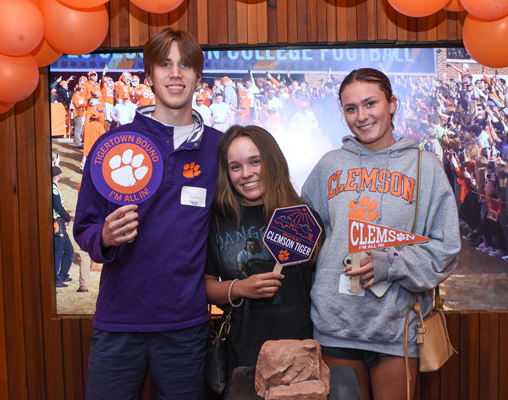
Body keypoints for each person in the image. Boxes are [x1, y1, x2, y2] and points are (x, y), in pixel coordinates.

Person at [73, 28, 223, 400]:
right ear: (149, 76)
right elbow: (85, 227)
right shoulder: (113, 144)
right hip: (119, 323)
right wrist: (104, 238)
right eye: (165, 64)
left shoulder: (220, 148)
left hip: (185, 326)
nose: (176, 73)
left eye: (185, 65)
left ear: (198, 77)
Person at [301, 68, 461, 400]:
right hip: (336, 324)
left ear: (391, 104)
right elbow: (306, 236)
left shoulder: (423, 166)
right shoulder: (330, 165)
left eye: (370, 103)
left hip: (395, 327)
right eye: (351, 108)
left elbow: (445, 248)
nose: (361, 116)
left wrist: (390, 264)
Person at [204, 125, 317, 384]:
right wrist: (241, 288)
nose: (247, 174)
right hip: (241, 354)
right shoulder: (217, 220)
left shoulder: (302, 217)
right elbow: (205, 287)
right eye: (235, 167)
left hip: (300, 355)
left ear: (272, 161)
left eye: (255, 162)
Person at [52, 166, 73, 288]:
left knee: (67, 249)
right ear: (57, 176)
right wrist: (67, 217)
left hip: (59, 221)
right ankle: (55, 278)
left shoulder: (53, 187)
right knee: (59, 251)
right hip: (57, 222)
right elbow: (58, 207)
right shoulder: (53, 189)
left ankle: (63, 275)